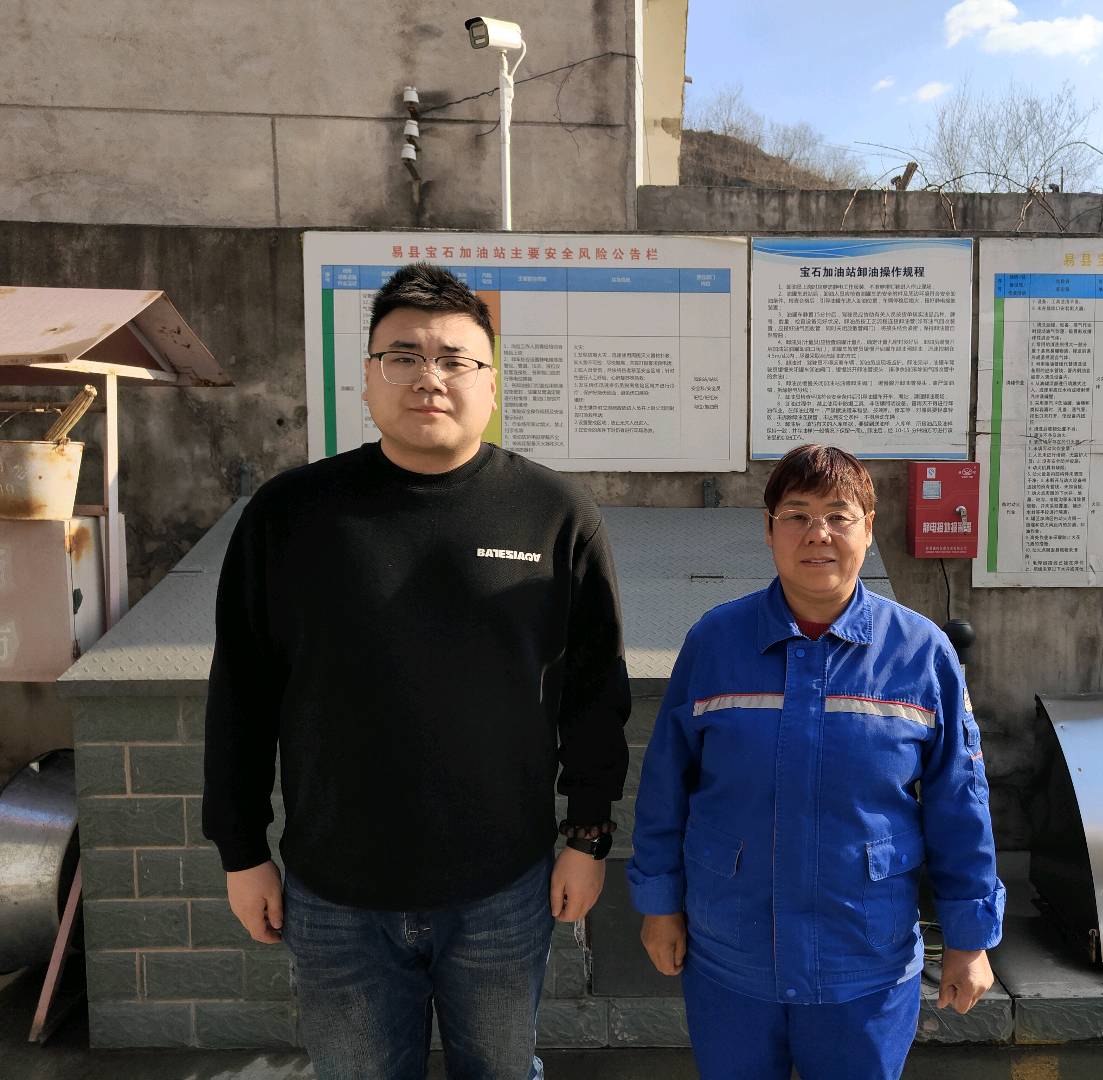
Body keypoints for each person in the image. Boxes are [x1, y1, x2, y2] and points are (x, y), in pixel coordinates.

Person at [203, 263, 630, 1080]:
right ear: (367, 378)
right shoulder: (291, 515)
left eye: (454, 360)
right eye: (403, 357)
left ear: (490, 383)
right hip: (335, 890)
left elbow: (592, 691)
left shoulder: (553, 513)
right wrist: (240, 848)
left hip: (503, 885)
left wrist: (588, 835)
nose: (429, 378)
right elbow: (242, 694)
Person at [626, 444, 1004, 1080]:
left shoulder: (921, 653)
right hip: (732, 954)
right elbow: (666, 783)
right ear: (769, 529)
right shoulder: (715, 642)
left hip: (866, 960)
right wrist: (659, 904)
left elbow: (959, 803)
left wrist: (970, 938)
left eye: (838, 515)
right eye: (797, 515)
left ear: (868, 528)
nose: (817, 533)